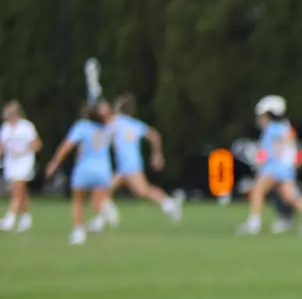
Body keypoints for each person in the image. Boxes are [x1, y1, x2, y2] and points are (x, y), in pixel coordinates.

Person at [239, 96, 302, 236]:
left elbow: (269, 152)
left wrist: (260, 161)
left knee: (257, 191)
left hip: (274, 168)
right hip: (284, 169)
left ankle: (253, 224)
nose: (260, 119)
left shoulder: (273, 130)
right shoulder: (285, 128)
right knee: (290, 196)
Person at [42, 99, 117, 245]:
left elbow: (66, 147)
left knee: (78, 201)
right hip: (103, 169)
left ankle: (78, 231)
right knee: (97, 201)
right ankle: (105, 207)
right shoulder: (108, 127)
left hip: (85, 168)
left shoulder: (82, 126)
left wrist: (53, 164)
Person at [108, 94, 184, 225]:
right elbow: (154, 135)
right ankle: (104, 217)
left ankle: (169, 204)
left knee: (141, 191)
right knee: (106, 191)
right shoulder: (134, 124)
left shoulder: (116, 122)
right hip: (131, 163)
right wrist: (157, 154)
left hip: (127, 165)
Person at [1, 101, 39, 233]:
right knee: (20, 191)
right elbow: (2, 146)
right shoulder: (5, 128)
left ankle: (10, 218)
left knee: (17, 187)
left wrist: (24, 150)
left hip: (25, 161)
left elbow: (37, 145)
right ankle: (26, 218)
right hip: (11, 162)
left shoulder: (27, 127)